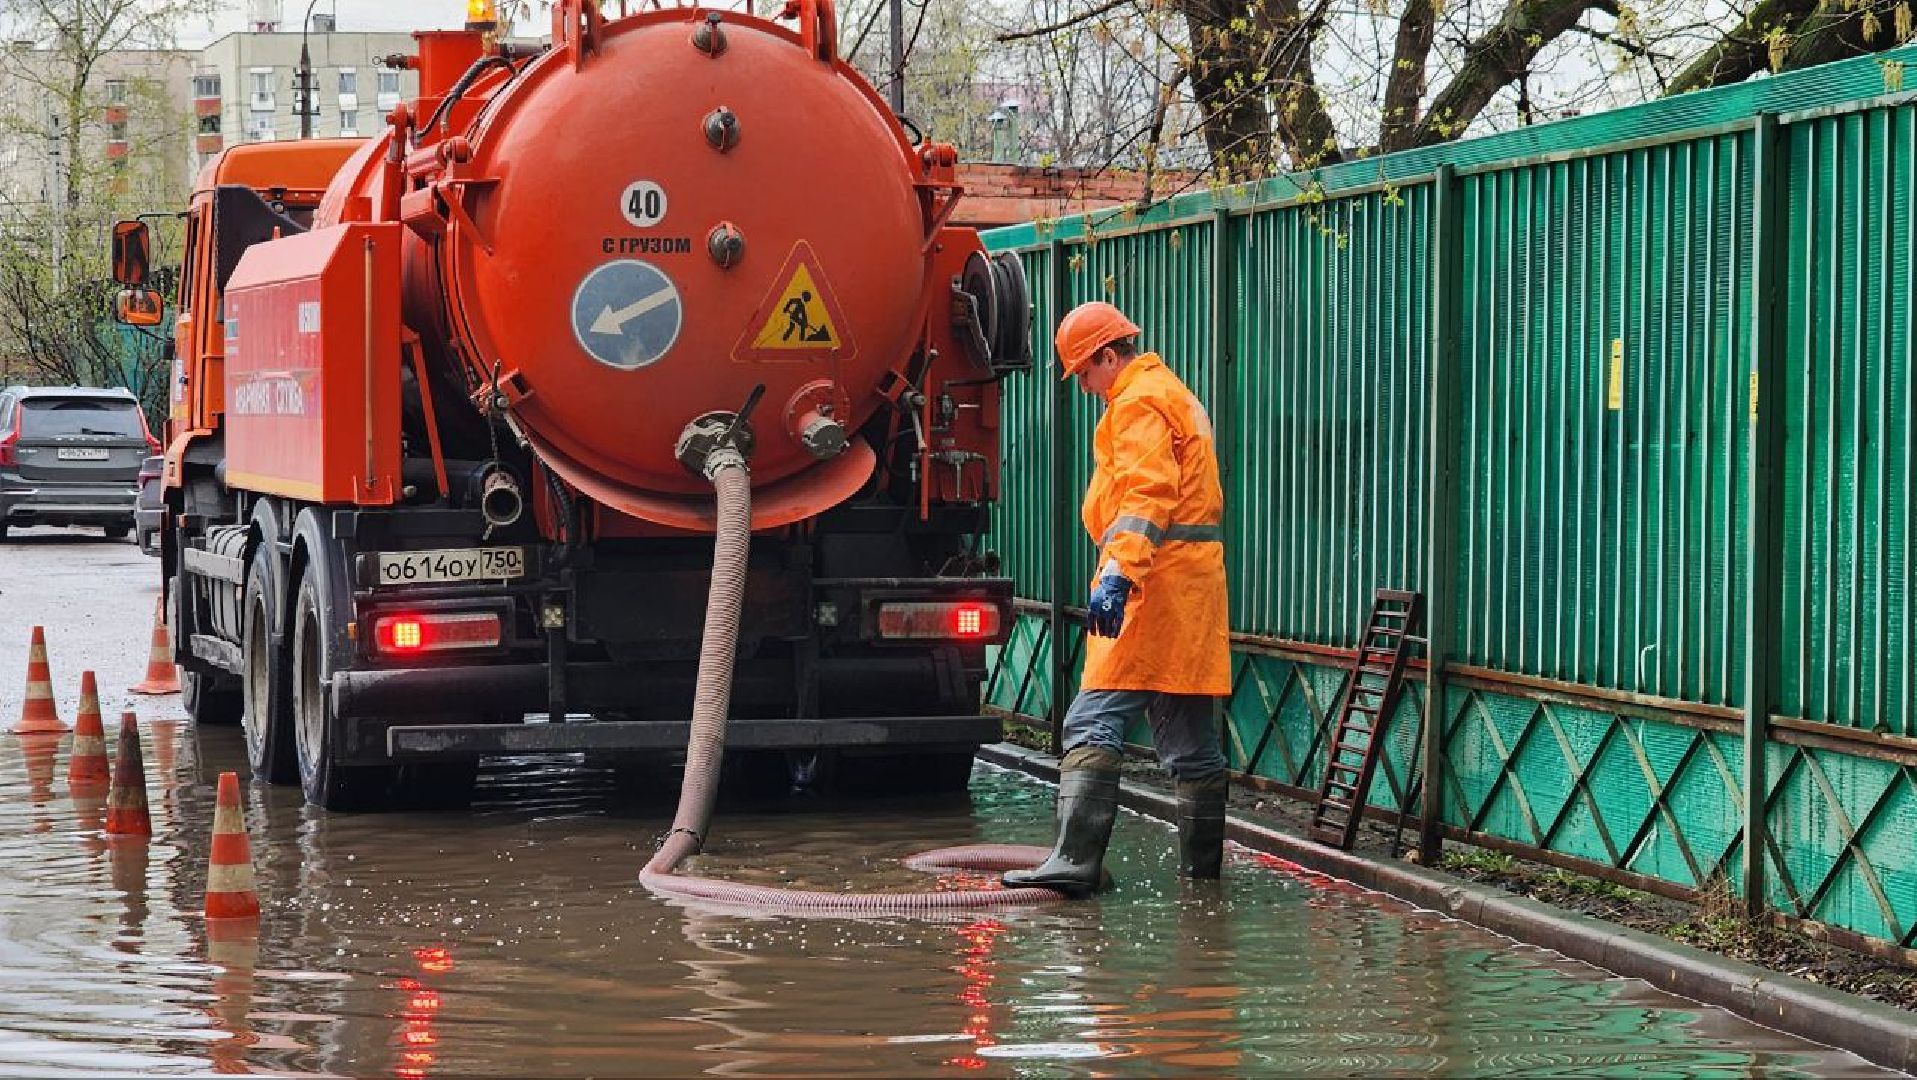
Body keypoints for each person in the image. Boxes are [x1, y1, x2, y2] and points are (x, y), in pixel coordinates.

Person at [1004, 301, 1232, 898]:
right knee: (1189, 740)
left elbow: (1146, 495)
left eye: (1084, 371)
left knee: (1091, 719)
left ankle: (1075, 862)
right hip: (1189, 589)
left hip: (1151, 587)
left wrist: (1119, 575)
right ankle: (1202, 882)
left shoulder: (1137, 403)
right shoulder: (1172, 393)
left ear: (1110, 355)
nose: (1082, 386)